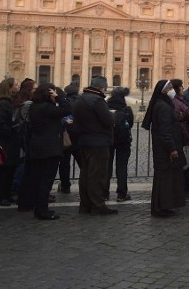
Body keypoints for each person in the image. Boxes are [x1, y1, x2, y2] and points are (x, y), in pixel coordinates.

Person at [26, 83, 71, 220]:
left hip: (37, 146)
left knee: (39, 179)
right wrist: (59, 97)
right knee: (46, 181)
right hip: (49, 148)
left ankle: (39, 209)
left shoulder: (34, 106)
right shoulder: (46, 108)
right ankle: (42, 210)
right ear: (49, 93)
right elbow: (67, 109)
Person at [73, 76, 117, 215]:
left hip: (84, 141)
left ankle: (85, 204)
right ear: (102, 87)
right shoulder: (97, 100)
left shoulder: (81, 98)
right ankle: (98, 205)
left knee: (85, 175)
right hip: (98, 142)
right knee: (97, 175)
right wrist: (114, 116)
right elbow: (108, 120)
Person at [143, 80, 186, 217]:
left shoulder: (162, 104)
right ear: (163, 90)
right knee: (165, 179)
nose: (172, 90)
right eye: (170, 87)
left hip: (163, 147)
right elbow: (165, 130)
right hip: (165, 149)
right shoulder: (163, 106)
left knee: (165, 178)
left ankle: (163, 206)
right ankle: (161, 207)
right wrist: (172, 148)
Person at [0, 78, 21, 206]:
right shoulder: (3, 103)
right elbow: (0, 124)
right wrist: (13, 129)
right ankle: (1, 196)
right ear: (9, 88)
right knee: (4, 170)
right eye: (16, 84)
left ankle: (8, 193)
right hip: (6, 141)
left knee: (11, 168)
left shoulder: (10, 102)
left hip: (12, 140)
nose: (18, 86)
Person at [107, 86, 134, 202]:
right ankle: (122, 194)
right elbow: (131, 124)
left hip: (108, 140)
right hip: (123, 141)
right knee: (122, 167)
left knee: (106, 167)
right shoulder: (126, 109)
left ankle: (104, 193)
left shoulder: (105, 107)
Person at [57, 83, 81, 194]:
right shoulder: (82, 102)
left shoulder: (64, 103)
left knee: (64, 163)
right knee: (82, 162)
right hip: (79, 136)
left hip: (66, 137)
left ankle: (65, 186)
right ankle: (85, 184)